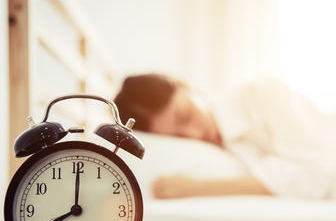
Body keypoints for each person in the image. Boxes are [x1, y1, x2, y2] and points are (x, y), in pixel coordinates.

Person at [114, 74, 336, 199]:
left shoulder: (261, 95)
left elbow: (315, 172)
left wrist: (197, 188)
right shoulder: (215, 153)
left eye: (185, 116)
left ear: (185, 86)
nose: (194, 134)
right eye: (178, 137)